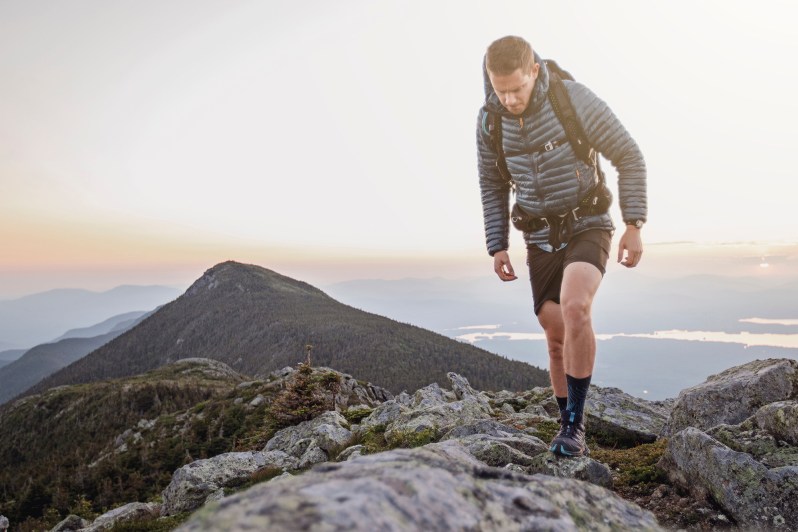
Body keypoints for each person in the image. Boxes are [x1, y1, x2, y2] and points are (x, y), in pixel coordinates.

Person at [477, 36, 647, 457]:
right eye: (501, 90)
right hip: (538, 237)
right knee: (555, 335)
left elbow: (628, 154)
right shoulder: (489, 121)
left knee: (575, 306)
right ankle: (565, 418)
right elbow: (492, 184)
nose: (511, 98)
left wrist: (633, 223)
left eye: (517, 88)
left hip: (588, 222)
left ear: (534, 70)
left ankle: (575, 427)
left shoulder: (571, 100)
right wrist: (497, 244)